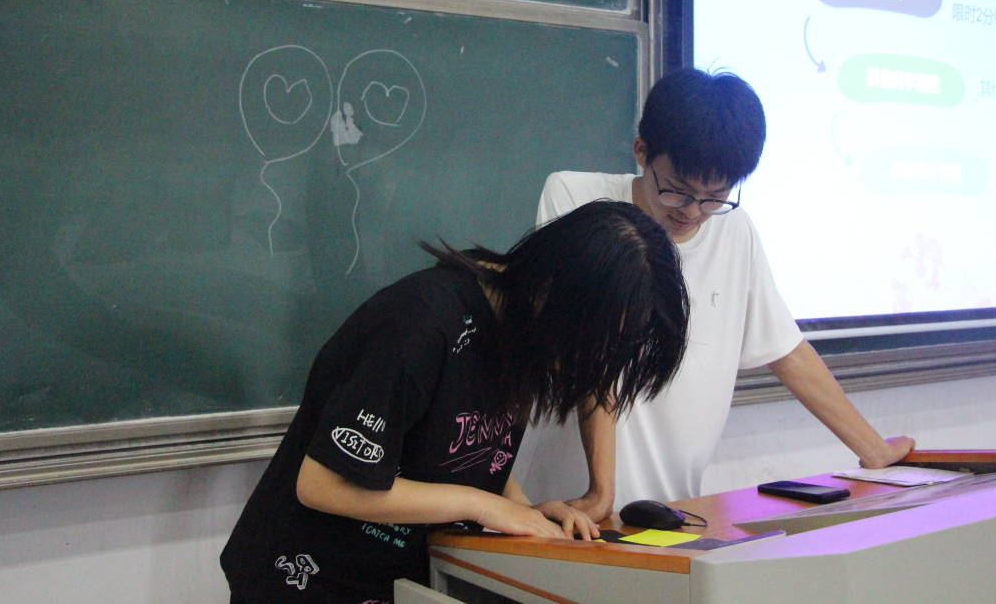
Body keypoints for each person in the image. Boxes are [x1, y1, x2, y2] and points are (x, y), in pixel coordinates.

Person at [220, 200, 689, 604]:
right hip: (308, 578)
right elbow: (323, 484)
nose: (589, 365)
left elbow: (471, 447)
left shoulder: (522, 326)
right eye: (594, 343)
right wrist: (482, 505)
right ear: (555, 295)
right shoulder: (419, 325)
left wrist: (525, 513)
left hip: (402, 577)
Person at [515, 68, 915, 521]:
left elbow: (786, 350)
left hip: (670, 509)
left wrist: (872, 449)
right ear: (642, 151)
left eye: (714, 197)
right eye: (677, 192)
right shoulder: (579, 201)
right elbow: (590, 352)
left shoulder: (734, 231)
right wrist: (601, 490)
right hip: (566, 507)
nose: (693, 212)